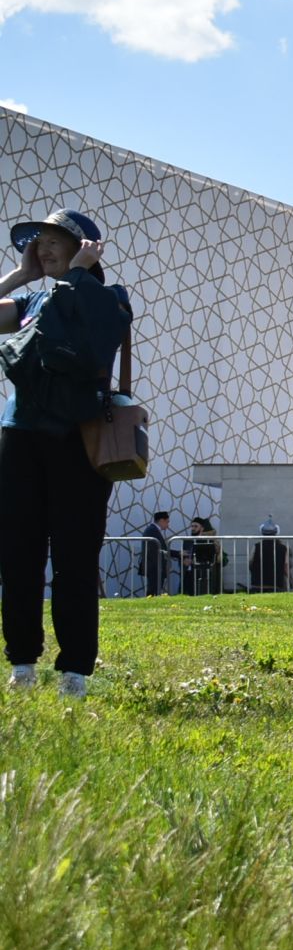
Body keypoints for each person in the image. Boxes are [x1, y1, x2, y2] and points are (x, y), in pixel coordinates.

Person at [0, 208, 133, 699]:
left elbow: (93, 346)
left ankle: (74, 670)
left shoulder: (109, 297)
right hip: (20, 436)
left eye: (56, 240)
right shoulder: (33, 297)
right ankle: (22, 664)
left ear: (85, 247)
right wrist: (20, 275)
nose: (44, 247)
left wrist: (77, 275)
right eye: (40, 241)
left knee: (75, 557)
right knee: (17, 554)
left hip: (79, 441)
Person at [181, 516, 223, 596]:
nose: (193, 528)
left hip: (203, 572)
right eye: (192, 526)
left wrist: (193, 560)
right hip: (189, 573)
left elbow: (210, 557)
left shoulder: (208, 541)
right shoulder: (187, 540)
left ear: (202, 528)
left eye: (196, 526)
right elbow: (185, 555)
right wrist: (184, 560)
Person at [138, 509, 176, 598]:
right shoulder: (152, 530)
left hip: (155, 565)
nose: (167, 526)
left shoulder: (152, 530)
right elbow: (160, 549)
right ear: (161, 521)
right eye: (167, 522)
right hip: (154, 566)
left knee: (155, 588)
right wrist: (179, 554)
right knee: (153, 589)